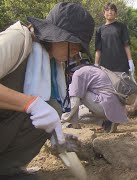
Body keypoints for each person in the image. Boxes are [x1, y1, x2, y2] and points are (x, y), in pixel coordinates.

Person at [0, 2, 94, 179]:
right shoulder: (18, 39)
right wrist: (30, 104)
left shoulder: (50, 65)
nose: (76, 52)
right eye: (74, 43)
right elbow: (30, 105)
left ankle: (6, 170)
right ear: (56, 35)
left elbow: (39, 112)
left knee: (51, 107)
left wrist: (54, 134)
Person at [61, 65, 128, 133]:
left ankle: (107, 120)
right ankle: (107, 122)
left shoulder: (77, 74)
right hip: (119, 108)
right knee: (81, 112)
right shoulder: (94, 70)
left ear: (70, 73)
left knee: (79, 93)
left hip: (105, 105)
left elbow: (75, 103)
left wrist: (68, 121)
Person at [95, 2, 135, 76]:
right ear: (104, 13)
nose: (109, 12)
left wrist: (130, 61)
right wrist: (96, 64)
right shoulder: (99, 30)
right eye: (107, 10)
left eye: (112, 10)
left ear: (116, 13)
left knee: (121, 87)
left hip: (121, 66)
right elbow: (98, 50)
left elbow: (126, 45)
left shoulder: (122, 27)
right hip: (105, 67)